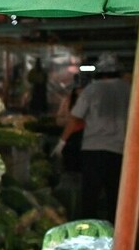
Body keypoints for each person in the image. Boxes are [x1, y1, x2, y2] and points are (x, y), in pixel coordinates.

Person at [52, 53, 130, 222]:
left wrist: (62, 142)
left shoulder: (92, 89)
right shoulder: (128, 90)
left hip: (93, 149)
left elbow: (75, 118)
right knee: (115, 194)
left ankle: (88, 228)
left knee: (90, 195)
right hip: (119, 149)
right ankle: (116, 229)